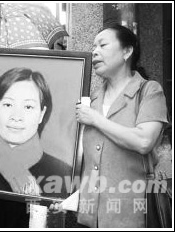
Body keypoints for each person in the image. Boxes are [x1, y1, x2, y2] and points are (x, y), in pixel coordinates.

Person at [71, 24, 168, 228]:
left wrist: (97, 119)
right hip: (89, 215)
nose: (94, 51)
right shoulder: (94, 98)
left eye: (103, 45)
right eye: (93, 46)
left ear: (127, 51)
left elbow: (143, 141)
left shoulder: (149, 91)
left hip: (131, 213)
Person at [0, 67, 72, 227]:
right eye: (7, 104)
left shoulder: (61, 172)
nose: (16, 117)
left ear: (41, 113)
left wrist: (53, 211)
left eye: (28, 107)